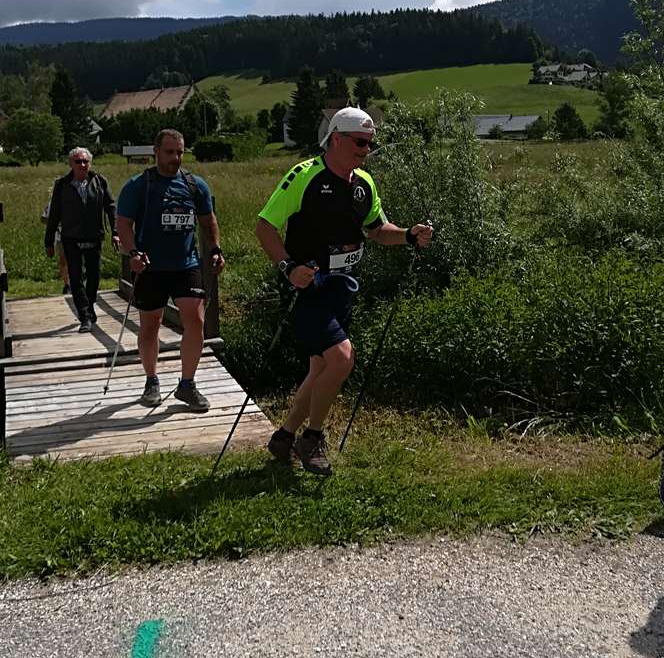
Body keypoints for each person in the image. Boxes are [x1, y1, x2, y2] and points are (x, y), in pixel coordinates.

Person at [255, 106, 432, 476]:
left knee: (321, 366)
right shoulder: (303, 176)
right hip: (307, 287)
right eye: (360, 142)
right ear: (336, 138)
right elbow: (265, 227)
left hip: (343, 286)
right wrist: (289, 268)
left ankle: (284, 437)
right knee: (340, 358)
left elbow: (377, 230)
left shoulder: (364, 184)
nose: (366, 150)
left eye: (370, 143)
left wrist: (409, 236)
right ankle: (312, 437)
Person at [116, 128, 225, 412]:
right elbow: (123, 223)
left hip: (185, 265)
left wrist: (214, 249)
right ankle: (151, 380)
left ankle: (187, 384)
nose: (175, 157)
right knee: (150, 325)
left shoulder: (195, 185)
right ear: (156, 152)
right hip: (150, 267)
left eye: (180, 152)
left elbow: (208, 220)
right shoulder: (140, 185)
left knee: (196, 321)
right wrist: (132, 253)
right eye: (169, 152)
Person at [44, 147, 119, 333]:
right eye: (78, 162)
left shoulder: (100, 181)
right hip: (71, 237)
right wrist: (49, 240)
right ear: (71, 164)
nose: (82, 165)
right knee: (75, 278)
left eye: (85, 161)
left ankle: (89, 304)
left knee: (94, 276)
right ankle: (85, 316)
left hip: (94, 236)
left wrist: (116, 232)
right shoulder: (62, 185)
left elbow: (111, 207)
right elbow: (54, 214)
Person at [41, 181, 70, 294]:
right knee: (63, 260)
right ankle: (66, 284)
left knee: (74, 261)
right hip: (59, 236)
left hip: (74, 235)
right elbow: (43, 218)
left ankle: (75, 284)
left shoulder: (74, 200)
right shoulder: (52, 202)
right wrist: (55, 222)